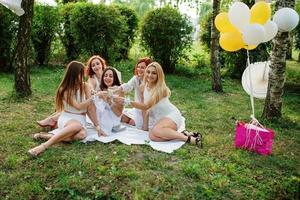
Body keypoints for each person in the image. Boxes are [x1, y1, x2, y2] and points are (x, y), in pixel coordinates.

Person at [28, 61, 102, 157]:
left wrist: (97, 126)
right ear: (74, 74)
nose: (82, 77)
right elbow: (78, 106)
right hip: (67, 118)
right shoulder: (64, 89)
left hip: (81, 120)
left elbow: (90, 108)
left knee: (82, 135)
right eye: (80, 74)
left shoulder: (85, 86)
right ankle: (43, 146)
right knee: (76, 127)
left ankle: (47, 136)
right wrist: (94, 97)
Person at [128, 62, 202, 146]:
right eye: (148, 72)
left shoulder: (161, 89)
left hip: (172, 116)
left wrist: (127, 102)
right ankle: (184, 134)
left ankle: (189, 139)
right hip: (160, 120)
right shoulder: (143, 86)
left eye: (154, 73)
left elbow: (146, 106)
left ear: (158, 75)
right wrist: (145, 128)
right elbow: (146, 110)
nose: (150, 75)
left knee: (156, 130)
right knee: (152, 136)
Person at [36, 55, 108, 128]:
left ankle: (52, 120)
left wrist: (97, 125)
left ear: (102, 64)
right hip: (86, 106)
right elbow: (81, 104)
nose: (96, 66)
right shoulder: (91, 80)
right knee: (73, 109)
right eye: (93, 65)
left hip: (88, 108)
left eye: (98, 64)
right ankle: (52, 120)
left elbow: (89, 105)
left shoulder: (109, 74)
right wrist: (95, 94)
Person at [118, 57, 153, 129]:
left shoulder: (151, 81)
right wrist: (117, 88)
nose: (139, 69)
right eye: (138, 67)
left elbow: (147, 105)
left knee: (132, 123)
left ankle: (135, 121)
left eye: (142, 67)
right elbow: (127, 86)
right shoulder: (136, 78)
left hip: (148, 111)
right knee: (122, 118)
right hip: (137, 109)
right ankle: (132, 119)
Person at [93, 67, 125, 135]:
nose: (107, 78)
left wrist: (108, 100)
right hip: (101, 117)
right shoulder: (102, 89)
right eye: (105, 75)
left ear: (114, 78)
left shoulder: (119, 91)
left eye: (111, 76)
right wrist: (97, 95)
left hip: (113, 120)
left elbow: (118, 113)